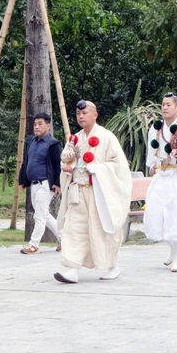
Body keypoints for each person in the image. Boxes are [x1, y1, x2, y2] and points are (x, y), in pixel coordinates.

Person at [55, 100, 132, 283]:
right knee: (74, 229)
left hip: (99, 192)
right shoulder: (74, 139)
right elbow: (66, 160)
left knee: (102, 230)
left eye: (85, 113)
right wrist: (66, 167)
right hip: (78, 192)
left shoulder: (107, 137)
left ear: (95, 115)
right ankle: (72, 270)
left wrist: (98, 168)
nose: (81, 116)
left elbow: (118, 165)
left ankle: (113, 266)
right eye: (78, 114)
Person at [143, 92, 177, 273]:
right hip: (161, 176)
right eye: (163, 104)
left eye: (169, 104)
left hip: (176, 177)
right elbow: (152, 151)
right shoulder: (155, 128)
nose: (165, 107)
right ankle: (172, 251)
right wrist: (152, 166)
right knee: (160, 214)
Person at [18, 112, 63, 254]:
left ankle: (34, 245)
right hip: (34, 184)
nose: (36, 127)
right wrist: (22, 180)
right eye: (35, 124)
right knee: (44, 214)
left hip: (46, 184)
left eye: (40, 124)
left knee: (39, 215)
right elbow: (26, 162)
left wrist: (58, 183)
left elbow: (58, 165)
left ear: (48, 126)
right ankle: (64, 240)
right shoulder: (31, 142)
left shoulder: (53, 144)